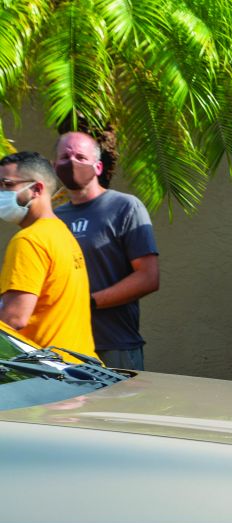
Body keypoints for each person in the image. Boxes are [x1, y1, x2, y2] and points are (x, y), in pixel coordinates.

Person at [54, 130, 159, 370]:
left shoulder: (124, 207)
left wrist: (88, 302)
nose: (72, 162)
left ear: (98, 167)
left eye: (81, 157)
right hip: (63, 348)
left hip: (115, 345)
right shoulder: (54, 218)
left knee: (116, 409)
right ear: (54, 166)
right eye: (65, 157)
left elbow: (148, 277)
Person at [0, 151, 97, 360]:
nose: (1, 192)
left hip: (48, 377)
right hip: (80, 370)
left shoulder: (28, 240)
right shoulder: (61, 233)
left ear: (36, 189)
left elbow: (14, 319)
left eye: (6, 185)